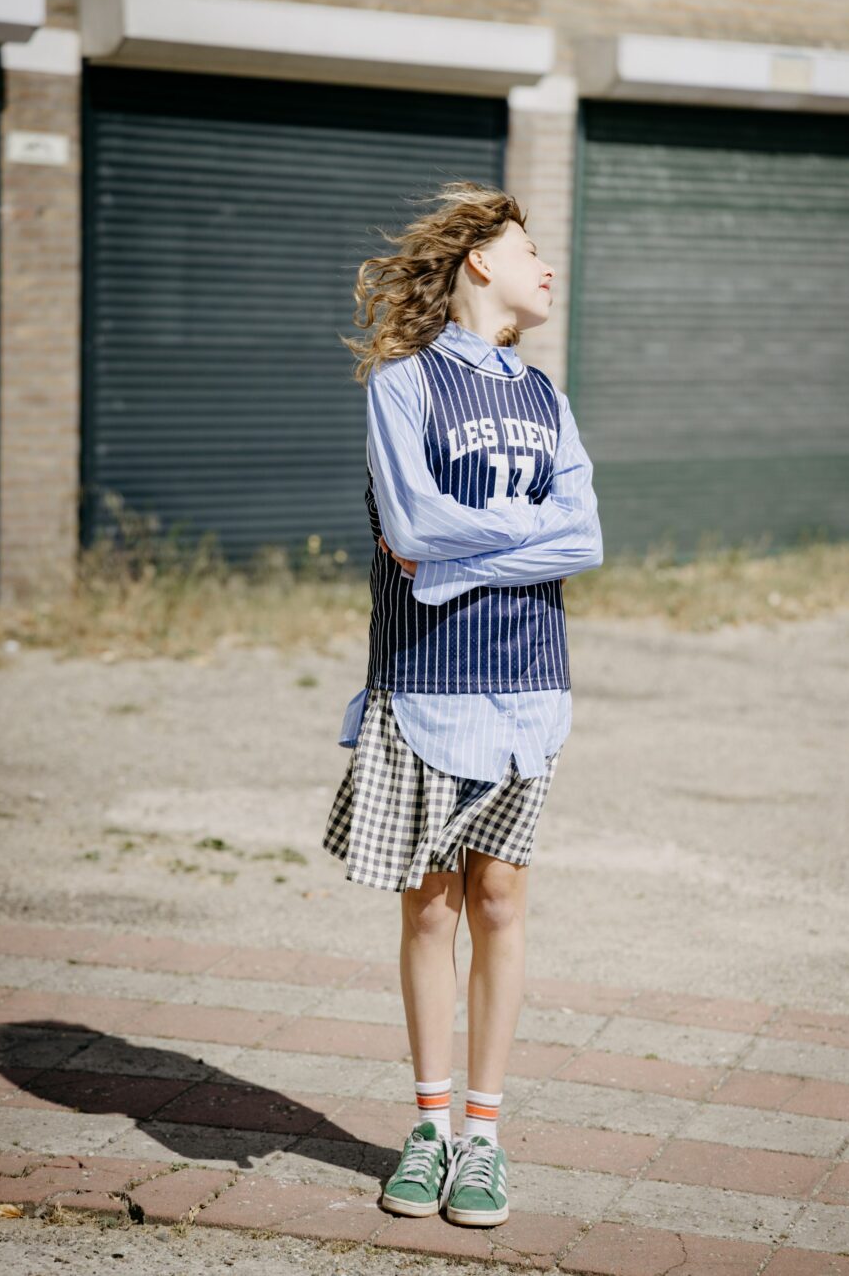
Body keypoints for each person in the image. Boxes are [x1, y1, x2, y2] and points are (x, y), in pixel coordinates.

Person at [323, 182, 602, 1229]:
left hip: (529, 676)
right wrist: (503, 536)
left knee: (499, 907)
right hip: (424, 677)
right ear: (478, 261)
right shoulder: (400, 386)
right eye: (528, 248)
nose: (544, 266)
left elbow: (582, 538)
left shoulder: (547, 397)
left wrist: (452, 552)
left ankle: (484, 1136)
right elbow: (408, 519)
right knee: (430, 905)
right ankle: (429, 1122)